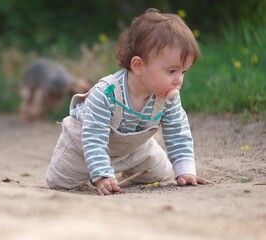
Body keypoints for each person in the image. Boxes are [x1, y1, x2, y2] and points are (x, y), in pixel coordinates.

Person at [46, 8, 207, 195]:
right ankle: (104, 172)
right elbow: (94, 138)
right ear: (138, 65)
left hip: (134, 150)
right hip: (84, 147)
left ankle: (120, 172)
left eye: (183, 72)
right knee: (60, 182)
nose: (178, 80)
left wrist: (185, 170)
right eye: (172, 71)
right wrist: (101, 176)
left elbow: (178, 133)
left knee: (162, 173)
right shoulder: (106, 93)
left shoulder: (167, 98)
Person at [19, 58, 92, 122]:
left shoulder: (65, 82)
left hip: (45, 72)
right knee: (29, 98)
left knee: (42, 100)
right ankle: (28, 115)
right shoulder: (52, 80)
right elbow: (41, 94)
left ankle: (36, 115)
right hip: (33, 72)